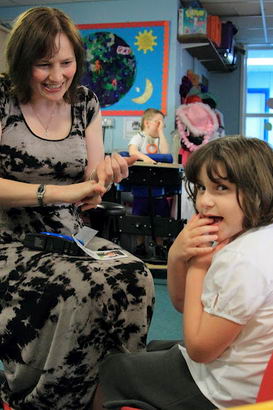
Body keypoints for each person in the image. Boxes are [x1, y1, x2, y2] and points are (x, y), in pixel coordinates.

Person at [0, 7, 154, 410]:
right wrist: (56, 193)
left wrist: (106, 175)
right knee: (81, 286)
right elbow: (65, 192)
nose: (56, 76)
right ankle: (47, 400)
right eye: (43, 64)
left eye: (66, 63)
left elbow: (92, 184)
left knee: (136, 278)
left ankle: (109, 395)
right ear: (21, 62)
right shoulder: (2, 99)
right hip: (8, 237)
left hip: (67, 234)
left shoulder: (85, 102)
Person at [95, 136, 273, 409]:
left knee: (113, 367)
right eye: (201, 188)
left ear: (260, 192)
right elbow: (185, 304)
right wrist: (177, 255)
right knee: (155, 346)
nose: (205, 202)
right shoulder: (253, 237)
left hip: (223, 392)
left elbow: (200, 350)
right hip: (250, 377)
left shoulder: (242, 259)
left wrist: (197, 269)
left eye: (221, 188)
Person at [128, 108, 170, 259]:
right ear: (147, 123)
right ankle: (140, 246)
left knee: (159, 217)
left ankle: (159, 246)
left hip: (158, 189)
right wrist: (146, 159)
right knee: (140, 217)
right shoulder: (139, 136)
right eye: (158, 123)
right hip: (141, 188)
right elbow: (132, 151)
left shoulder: (159, 139)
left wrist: (161, 133)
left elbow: (166, 154)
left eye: (162, 124)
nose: (161, 126)